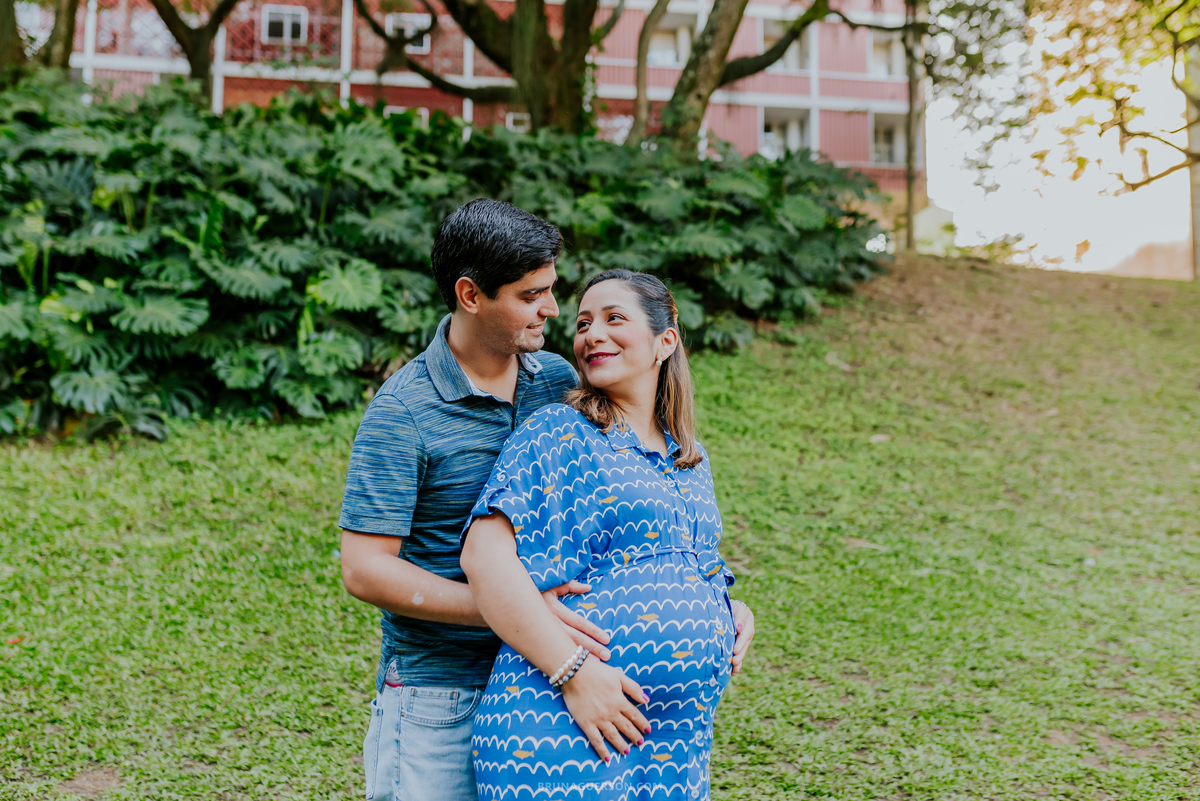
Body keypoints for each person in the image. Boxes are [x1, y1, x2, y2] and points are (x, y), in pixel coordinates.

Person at [338, 199, 612, 801]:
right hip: (442, 692)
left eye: (551, 289)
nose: (552, 309)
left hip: (541, 683)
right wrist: (512, 609)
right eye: (530, 294)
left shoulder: (558, 382)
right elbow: (364, 569)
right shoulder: (402, 411)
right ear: (470, 294)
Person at [460, 269, 756, 801]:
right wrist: (574, 674)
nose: (592, 334)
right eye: (583, 324)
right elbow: (484, 557)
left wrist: (726, 606)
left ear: (665, 341)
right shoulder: (559, 432)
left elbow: (692, 559)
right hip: (562, 722)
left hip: (674, 744)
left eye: (613, 319)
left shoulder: (690, 456)